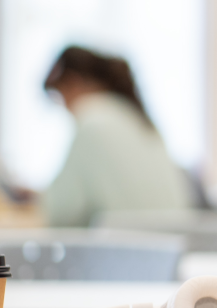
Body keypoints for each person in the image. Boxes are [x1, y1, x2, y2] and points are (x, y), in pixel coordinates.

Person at [42, 46, 192, 227]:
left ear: (73, 83)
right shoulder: (136, 118)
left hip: (123, 243)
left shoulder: (92, 119)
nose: (64, 108)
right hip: (167, 242)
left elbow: (60, 213)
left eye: (59, 96)